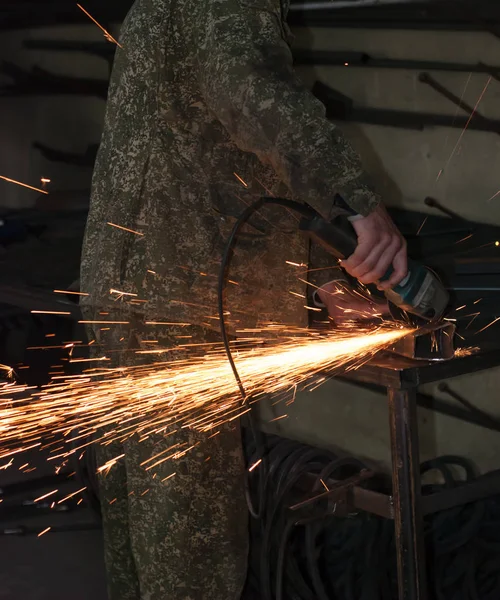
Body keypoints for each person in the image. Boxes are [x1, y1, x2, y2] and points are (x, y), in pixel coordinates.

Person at [79, 0, 407, 598]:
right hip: (180, 301)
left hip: (129, 289)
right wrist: (358, 202)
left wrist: (323, 282)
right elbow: (250, 94)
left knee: (144, 529)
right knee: (191, 552)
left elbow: (220, 158)